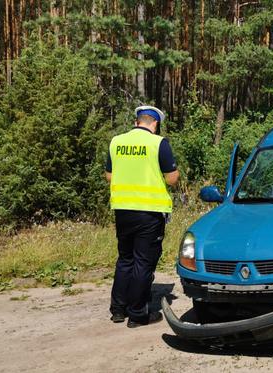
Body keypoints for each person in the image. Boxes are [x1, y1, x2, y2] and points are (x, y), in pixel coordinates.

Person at [104, 105, 179, 328]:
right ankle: (137, 314)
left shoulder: (116, 142)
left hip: (122, 210)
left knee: (125, 259)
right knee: (143, 262)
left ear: (137, 121)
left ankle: (118, 310)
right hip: (149, 212)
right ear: (155, 124)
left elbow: (109, 176)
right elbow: (172, 178)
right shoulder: (158, 143)